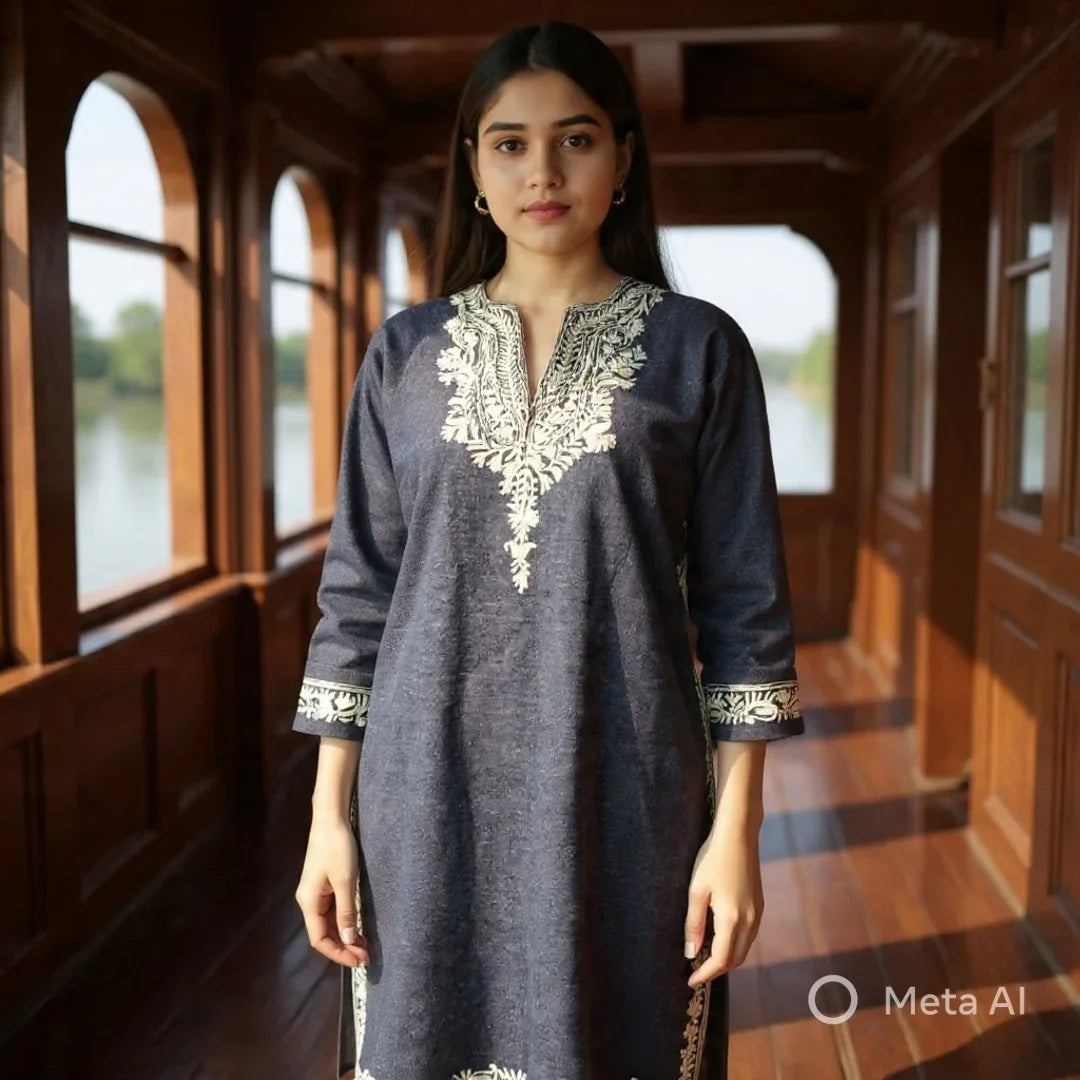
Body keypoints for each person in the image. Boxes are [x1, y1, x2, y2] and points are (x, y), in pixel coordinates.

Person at [292, 21, 804, 1080]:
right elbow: (358, 598)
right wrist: (326, 819)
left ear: (622, 159)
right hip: (421, 794)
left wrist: (737, 831)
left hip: (628, 788)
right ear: (475, 171)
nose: (543, 171)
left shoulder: (699, 348)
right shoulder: (404, 354)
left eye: (575, 139)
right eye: (510, 143)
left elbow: (744, 609)